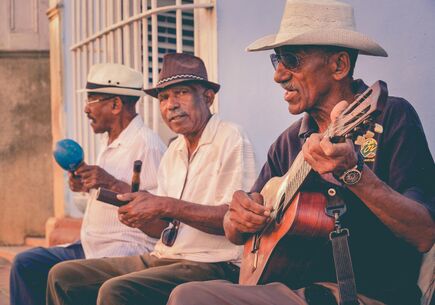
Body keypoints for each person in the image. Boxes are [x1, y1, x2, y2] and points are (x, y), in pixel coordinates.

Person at [167, 1, 435, 305]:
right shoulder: (288, 142)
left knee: (190, 298)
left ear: (339, 66)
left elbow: (424, 232)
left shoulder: (392, 116)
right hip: (294, 289)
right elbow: (236, 230)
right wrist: (238, 216)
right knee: (186, 293)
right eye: (276, 60)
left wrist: (355, 173)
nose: (278, 75)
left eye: (291, 60)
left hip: (366, 294)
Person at [45, 53, 258, 305]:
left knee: (116, 291)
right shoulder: (174, 151)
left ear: (207, 97)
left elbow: (234, 220)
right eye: (164, 98)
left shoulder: (231, 137)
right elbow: (164, 229)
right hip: (166, 255)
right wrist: (140, 217)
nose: (171, 105)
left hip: (211, 262)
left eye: (181, 93)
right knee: (62, 275)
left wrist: (165, 204)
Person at [9, 63, 166, 305]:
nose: (86, 108)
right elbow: (112, 191)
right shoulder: (110, 141)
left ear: (115, 105)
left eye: (92, 99)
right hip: (90, 245)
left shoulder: (148, 145)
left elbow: (160, 209)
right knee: (26, 263)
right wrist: (87, 185)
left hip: (123, 250)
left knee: (60, 275)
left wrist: (110, 182)